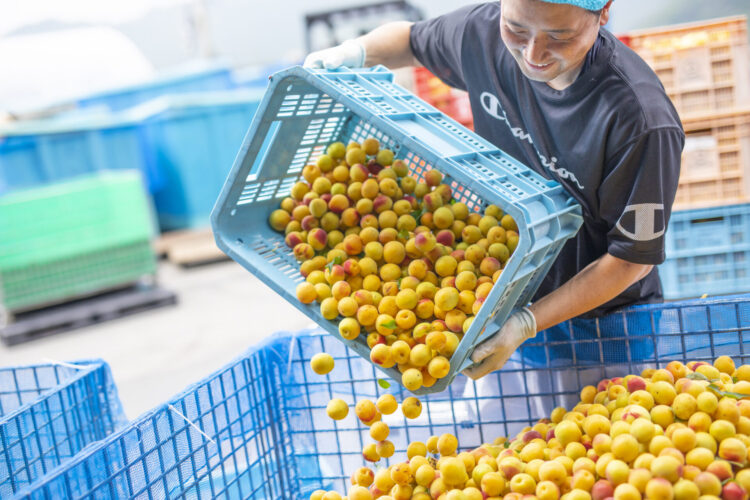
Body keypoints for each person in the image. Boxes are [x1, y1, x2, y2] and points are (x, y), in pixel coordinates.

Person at [304, 0, 684, 379]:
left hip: (607, 325)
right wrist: (353, 52)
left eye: (559, 36)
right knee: (514, 437)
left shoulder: (639, 120)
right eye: (517, 29)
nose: (533, 53)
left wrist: (527, 324)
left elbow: (632, 259)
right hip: (497, 299)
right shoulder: (483, 34)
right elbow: (410, 39)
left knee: (598, 429)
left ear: (603, 13)